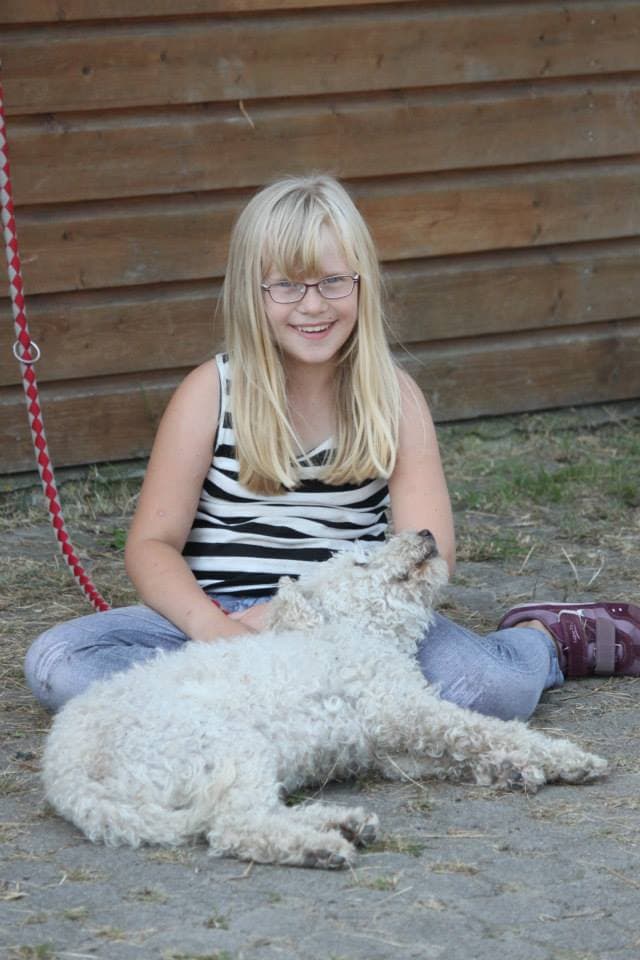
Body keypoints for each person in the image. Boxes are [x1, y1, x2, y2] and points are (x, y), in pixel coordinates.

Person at [25, 174, 640, 716]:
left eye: (332, 282)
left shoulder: (393, 398)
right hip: (219, 623)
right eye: (286, 286)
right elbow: (152, 545)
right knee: (61, 663)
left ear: (362, 283)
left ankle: (546, 639)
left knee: (492, 689)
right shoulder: (209, 392)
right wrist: (211, 628)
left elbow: (428, 553)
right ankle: (321, 710)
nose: (312, 305)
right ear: (251, 292)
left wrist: (303, 616)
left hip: (353, 618)